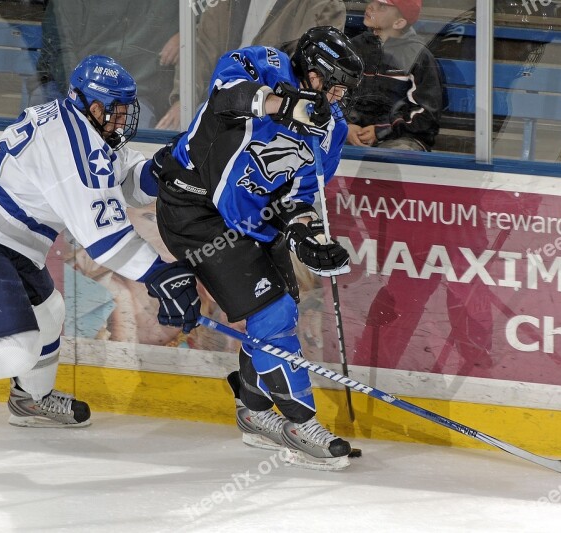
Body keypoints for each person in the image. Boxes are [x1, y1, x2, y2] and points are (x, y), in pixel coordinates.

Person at [0, 55, 201, 442]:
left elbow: (124, 179)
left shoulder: (81, 126)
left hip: (3, 235)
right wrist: (159, 274)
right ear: (94, 107)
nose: (124, 120)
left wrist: (161, 168)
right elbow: (105, 240)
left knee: (50, 311)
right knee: (14, 349)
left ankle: (30, 398)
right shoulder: (73, 147)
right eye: (117, 111)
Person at [152, 26, 364, 470]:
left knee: (282, 306)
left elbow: (300, 194)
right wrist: (285, 105)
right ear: (314, 73)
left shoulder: (332, 128)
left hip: (254, 220)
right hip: (196, 210)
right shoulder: (263, 63)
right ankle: (298, 423)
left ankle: (253, 411)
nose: (340, 97)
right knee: (273, 313)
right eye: (337, 84)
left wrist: (307, 235)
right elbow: (225, 96)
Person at [155, 0, 347, 130]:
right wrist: (183, 100)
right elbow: (202, 49)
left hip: (272, 113)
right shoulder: (223, 3)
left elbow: (310, 73)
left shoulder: (323, 5)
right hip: (217, 99)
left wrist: (270, 102)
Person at [34, 0, 180, 128]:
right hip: (75, 87)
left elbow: (199, 15)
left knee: (133, 124)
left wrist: (188, 33)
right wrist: (84, 96)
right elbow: (61, 48)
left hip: (131, 95)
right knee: (37, 111)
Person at [346, 0, 443, 151]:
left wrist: (382, 131)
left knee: (394, 155)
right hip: (351, 132)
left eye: (382, 6)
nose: (371, 6)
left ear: (399, 22)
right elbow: (333, 93)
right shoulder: (352, 47)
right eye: (373, 1)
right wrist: (345, 126)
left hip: (403, 137)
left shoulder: (418, 56)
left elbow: (426, 114)